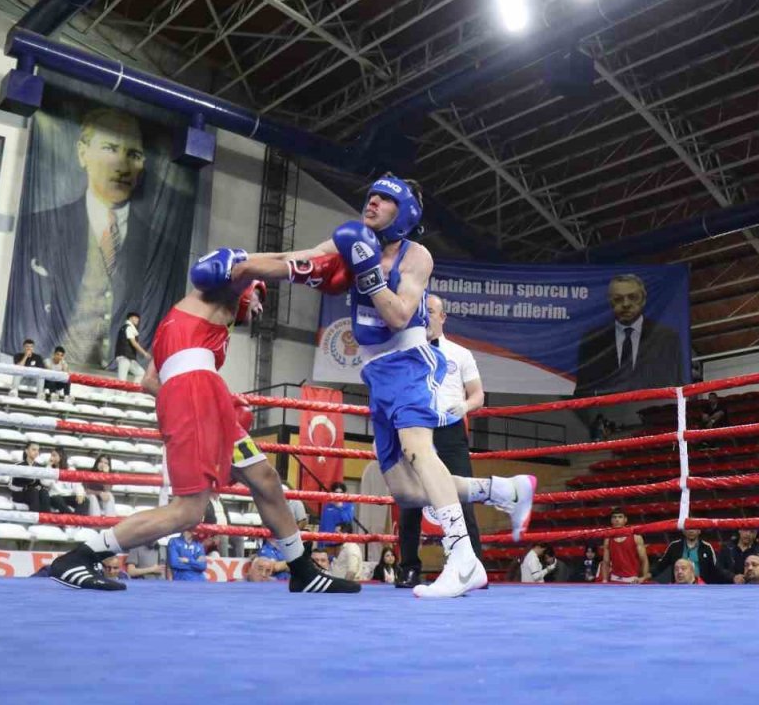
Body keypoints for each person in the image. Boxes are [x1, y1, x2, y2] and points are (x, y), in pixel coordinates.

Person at [223, 174, 535, 599]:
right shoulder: (350, 242)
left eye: (384, 199)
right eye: (370, 195)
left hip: (410, 362)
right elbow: (296, 258)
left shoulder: (417, 256)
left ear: (403, 212)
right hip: (376, 374)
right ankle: (505, 489)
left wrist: (369, 272)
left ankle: (463, 560)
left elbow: (401, 315)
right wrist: (240, 264)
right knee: (407, 492)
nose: (371, 203)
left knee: (420, 452)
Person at [45, 274, 358, 594]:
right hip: (195, 410)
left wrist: (219, 397)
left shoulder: (210, 328)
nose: (261, 306)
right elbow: (150, 381)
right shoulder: (211, 309)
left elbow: (154, 379)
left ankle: (303, 571)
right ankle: (79, 557)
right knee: (188, 512)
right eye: (258, 297)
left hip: (211, 409)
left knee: (265, 479)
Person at [3, 107, 189, 370]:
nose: (123, 166)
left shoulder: (164, 248)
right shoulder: (40, 226)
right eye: (110, 148)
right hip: (61, 367)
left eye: (133, 154)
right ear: (82, 153)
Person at [396, 292, 485, 587]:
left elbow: (478, 395)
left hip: (450, 429)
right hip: (415, 428)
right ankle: (409, 568)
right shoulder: (406, 350)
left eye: (431, 312)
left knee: (462, 496)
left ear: (443, 316)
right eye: (422, 312)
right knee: (410, 499)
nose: (426, 317)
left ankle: (475, 567)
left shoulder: (461, 354)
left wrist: (465, 406)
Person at [573, 274, 683, 398]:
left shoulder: (666, 337)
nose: (626, 304)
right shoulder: (592, 340)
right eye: (618, 299)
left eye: (632, 297)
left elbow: (678, 384)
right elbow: (582, 392)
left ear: (643, 300)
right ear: (610, 301)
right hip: (607, 412)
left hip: (654, 410)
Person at [652, 528, 719, 584]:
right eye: (688, 528)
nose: (691, 531)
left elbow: (715, 570)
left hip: (700, 587)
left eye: (694, 528)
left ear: (699, 531)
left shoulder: (707, 547)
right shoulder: (674, 546)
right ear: (683, 531)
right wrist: (646, 576)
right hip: (678, 587)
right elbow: (661, 565)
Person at [602, 508, 650, 583]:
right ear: (611, 520)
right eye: (614, 517)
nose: (617, 519)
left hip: (632, 579)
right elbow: (606, 562)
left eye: (620, 517)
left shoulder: (636, 537)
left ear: (625, 520)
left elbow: (644, 560)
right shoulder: (608, 539)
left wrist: (644, 578)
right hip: (614, 579)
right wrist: (604, 580)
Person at [7, 442, 52, 513]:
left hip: (34, 493)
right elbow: (10, 485)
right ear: (26, 451)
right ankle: (34, 518)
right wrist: (24, 487)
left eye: (38, 450)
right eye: (34, 450)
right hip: (20, 494)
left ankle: (46, 519)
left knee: (44, 492)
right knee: (33, 491)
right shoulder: (18, 466)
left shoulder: (40, 467)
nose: (36, 452)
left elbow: (43, 483)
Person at [46, 450, 87, 514]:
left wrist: (80, 494)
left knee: (85, 500)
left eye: (54, 455)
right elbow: (44, 482)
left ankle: (75, 520)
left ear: (61, 456)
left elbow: (78, 485)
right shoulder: (50, 469)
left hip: (69, 495)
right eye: (51, 455)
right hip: (55, 496)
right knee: (57, 499)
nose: (52, 457)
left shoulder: (71, 469)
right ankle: (73, 520)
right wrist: (48, 466)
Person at [318, 482, 355, 549]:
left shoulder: (348, 505)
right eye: (336, 492)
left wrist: (339, 507)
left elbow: (348, 521)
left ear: (344, 493)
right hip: (327, 542)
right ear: (332, 493)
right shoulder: (327, 506)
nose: (338, 495)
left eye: (341, 493)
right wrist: (320, 544)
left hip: (341, 542)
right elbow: (322, 525)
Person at [114, 312, 149, 383]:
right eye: (136, 318)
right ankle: (121, 394)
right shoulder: (128, 328)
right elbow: (134, 343)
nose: (137, 320)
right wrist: (145, 353)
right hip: (124, 357)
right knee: (122, 380)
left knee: (141, 373)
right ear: (130, 318)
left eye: (138, 319)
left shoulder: (128, 328)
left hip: (129, 357)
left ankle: (132, 390)